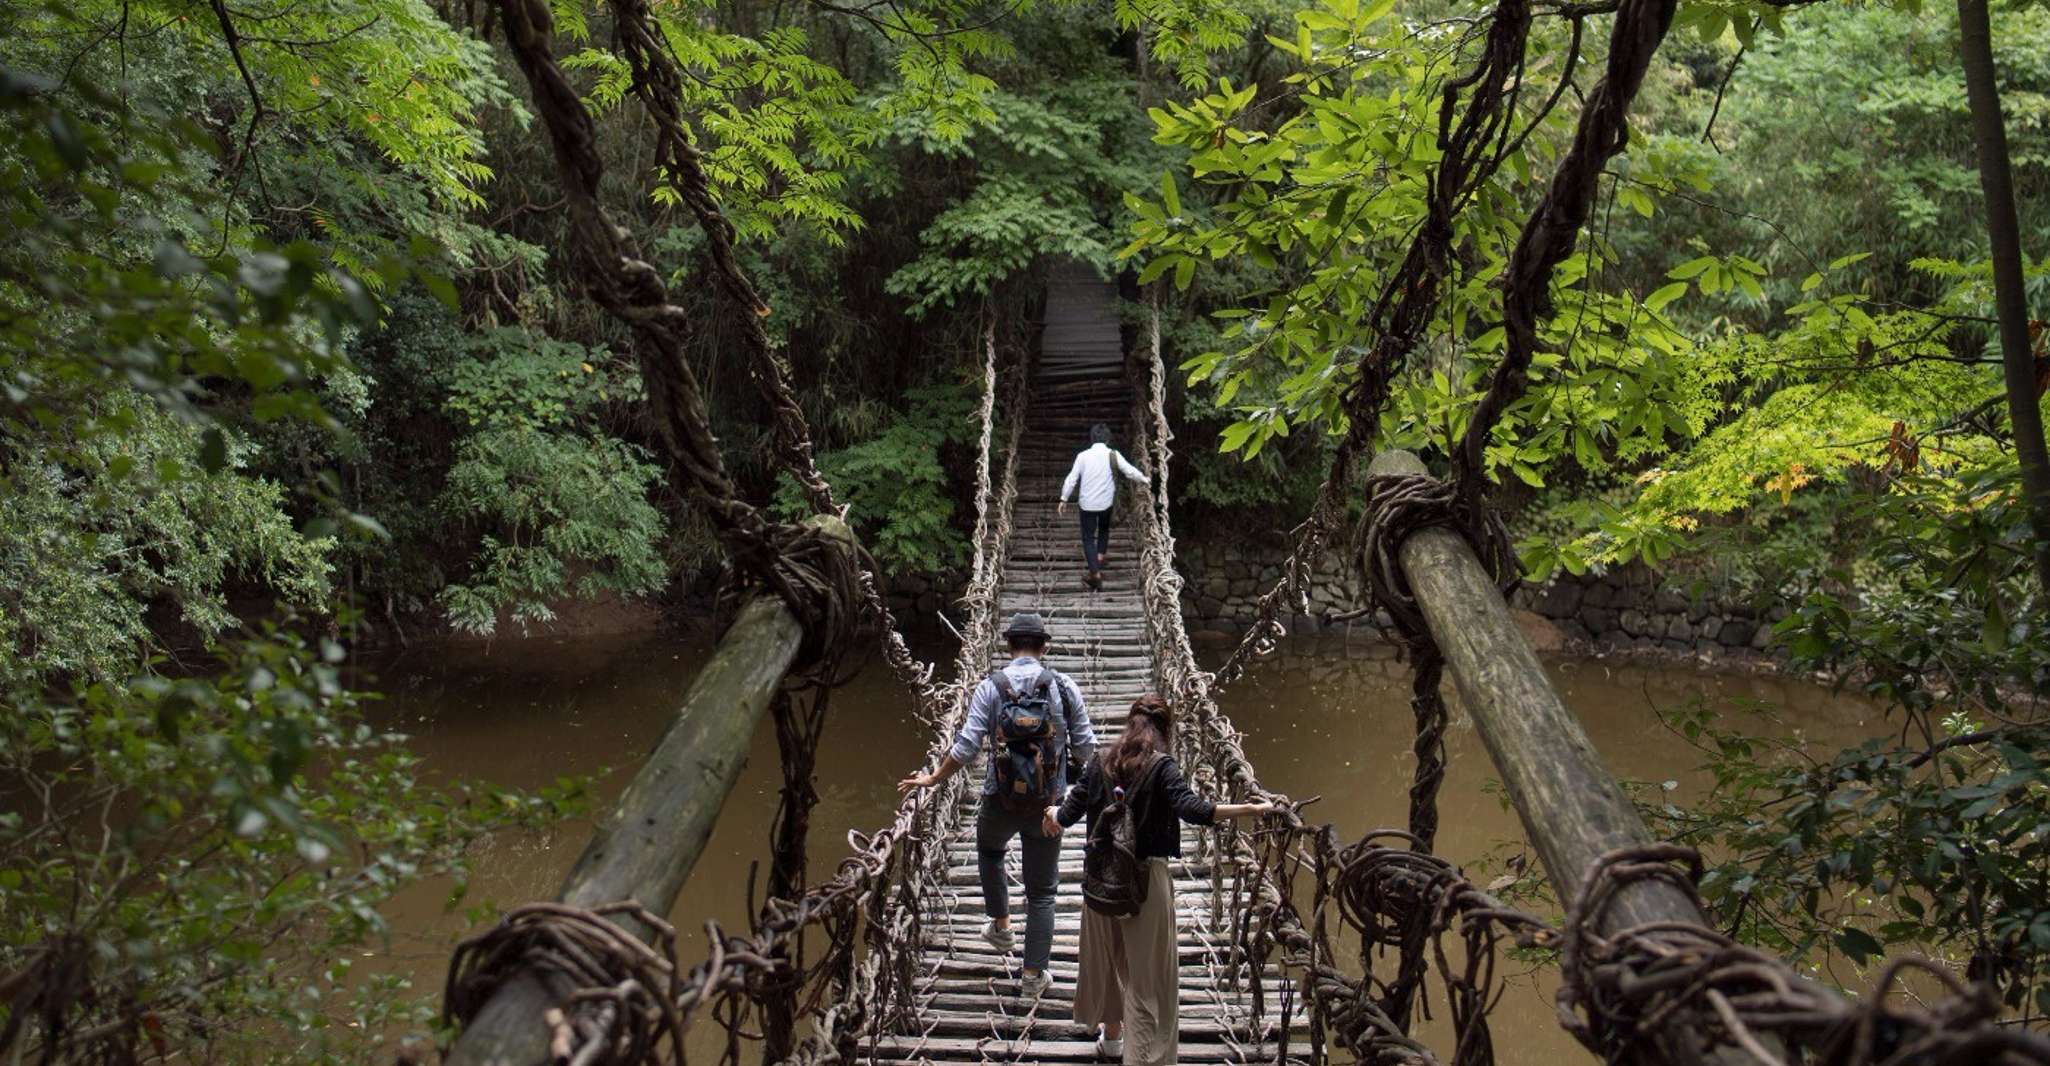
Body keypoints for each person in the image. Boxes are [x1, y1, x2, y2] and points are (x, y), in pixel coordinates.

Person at [1046, 695, 1272, 1065]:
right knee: (1148, 983)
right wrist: (1248, 808)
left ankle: (1113, 1040)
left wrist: (1052, 811)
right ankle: (1143, 1059)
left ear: (1129, 724)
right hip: (1145, 884)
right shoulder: (1162, 766)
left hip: (1101, 882)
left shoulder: (1098, 761)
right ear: (1166, 730)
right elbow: (1194, 810)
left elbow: (1067, 814)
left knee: (1108, 963)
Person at [898, 612, 1095, 998]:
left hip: (999, 799)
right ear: (1045, 647)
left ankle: (1002, 927)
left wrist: (934, 778)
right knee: (1042, 893)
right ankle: (1034, 976)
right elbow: (1087, 748)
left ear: (1008, 646)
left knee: (990, 850)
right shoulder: (1065, 687)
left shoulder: (992, 687)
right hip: (1048, 807)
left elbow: (968, 746)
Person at [1057, 423, 1148, 590]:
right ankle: (1099, 558)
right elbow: (1129, 471)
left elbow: (1072, 479)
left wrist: (1064, 499)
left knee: (1088, 538)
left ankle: (1095, 574)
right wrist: (1144, 479)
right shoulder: (1113, 454)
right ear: (1107, 439)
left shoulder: (1082, 456)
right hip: (1106, 503)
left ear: (1092, 438)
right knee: (1104, 529)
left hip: (1087, 504)